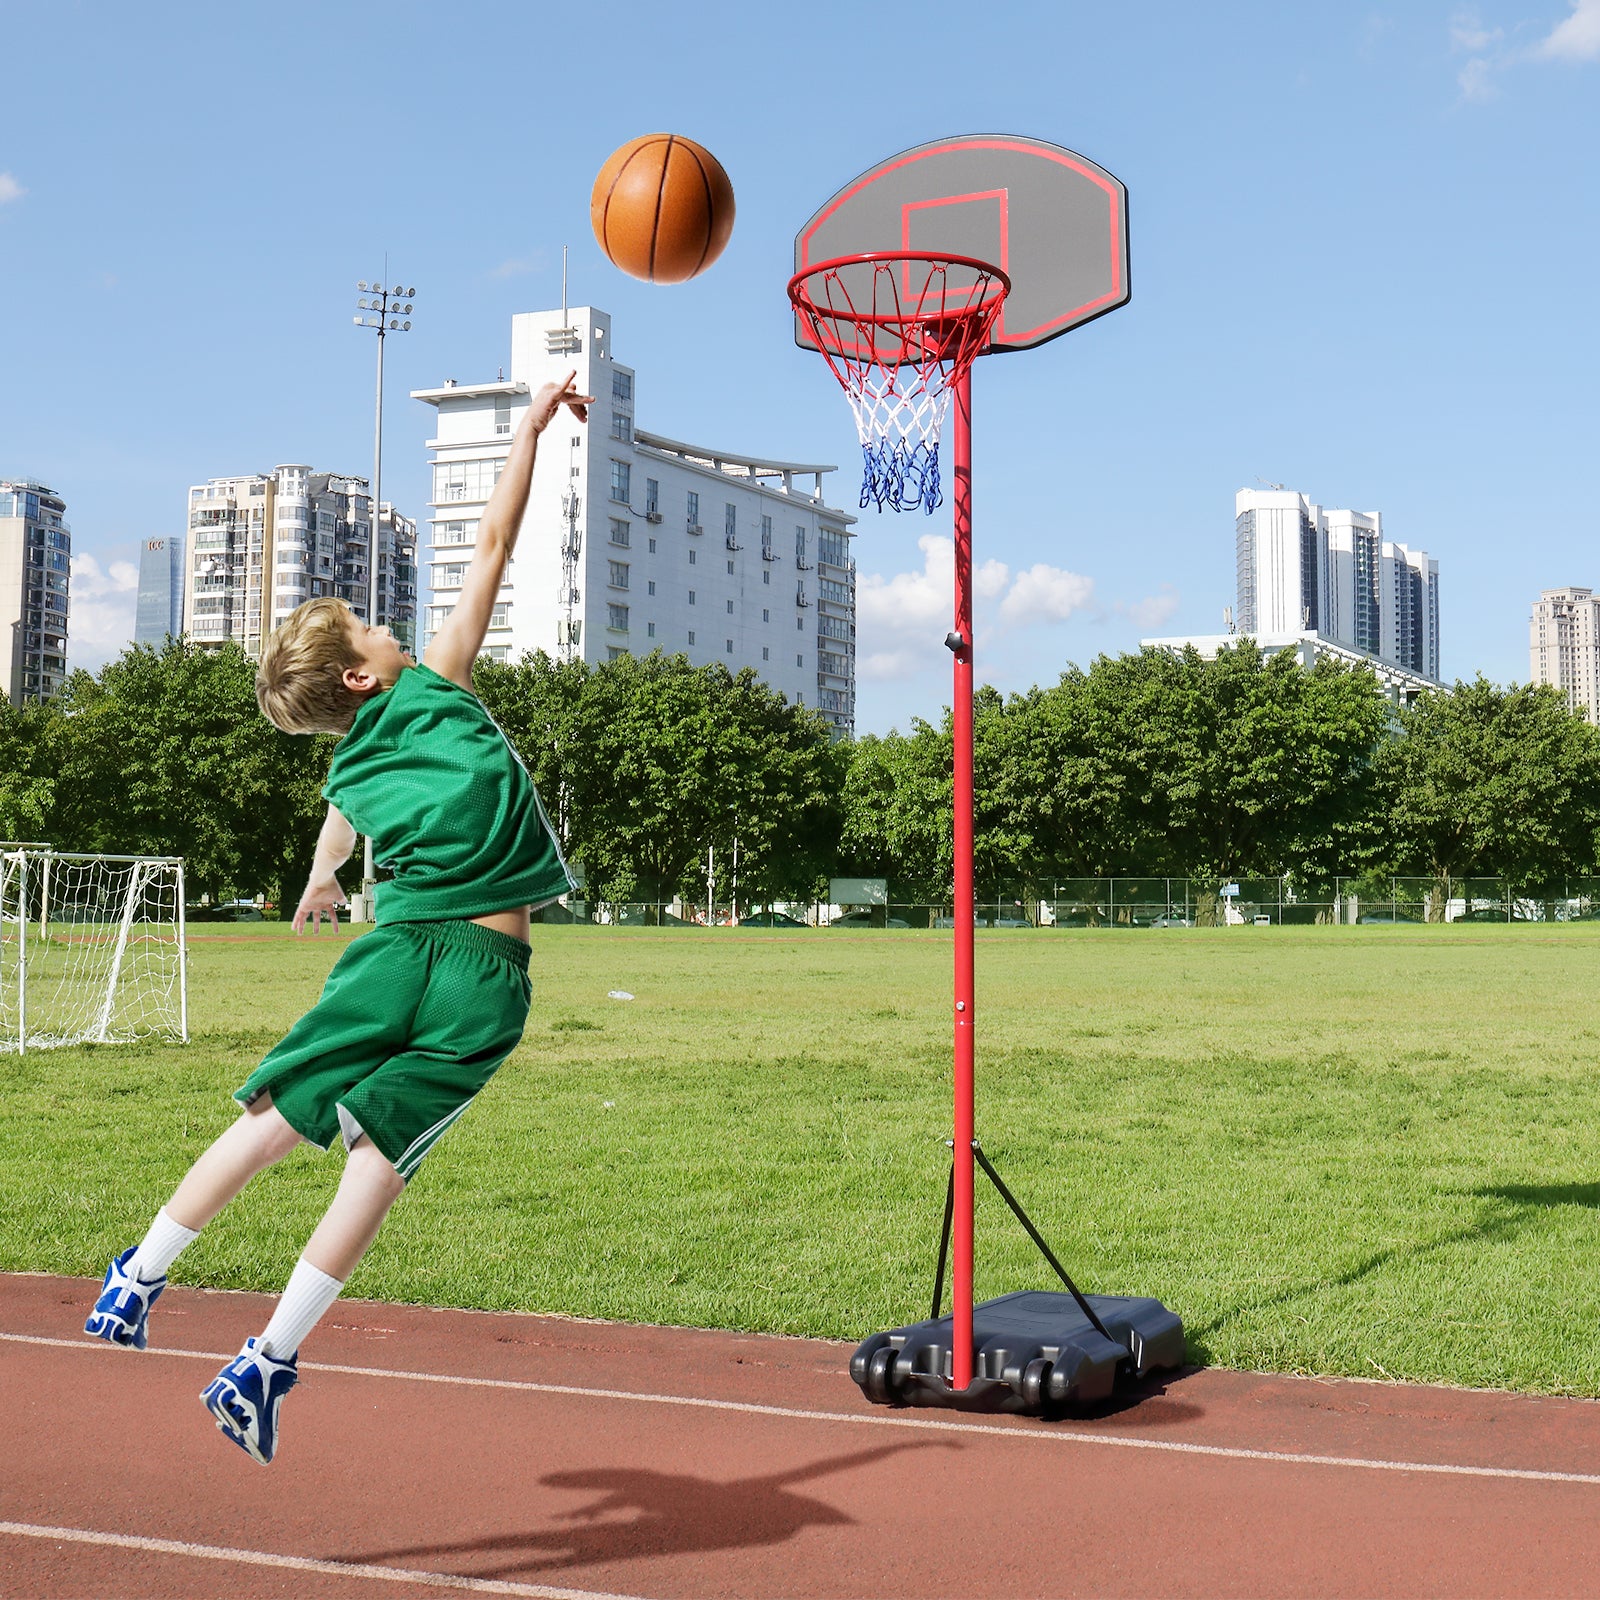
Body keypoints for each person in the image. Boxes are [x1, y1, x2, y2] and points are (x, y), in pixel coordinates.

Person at [84, 371, 593, 1464]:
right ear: (363, 678)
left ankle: (143, 1276)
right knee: (379, 1160)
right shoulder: (438, 682)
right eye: (371, 627)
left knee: (276, 1118)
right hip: (477, 976)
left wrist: (321, 878)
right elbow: (497, 541)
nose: (391, 626)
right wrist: (533, 429)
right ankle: (263, 1356)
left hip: (391, 950)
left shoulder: (356, 763)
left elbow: (336, 829)